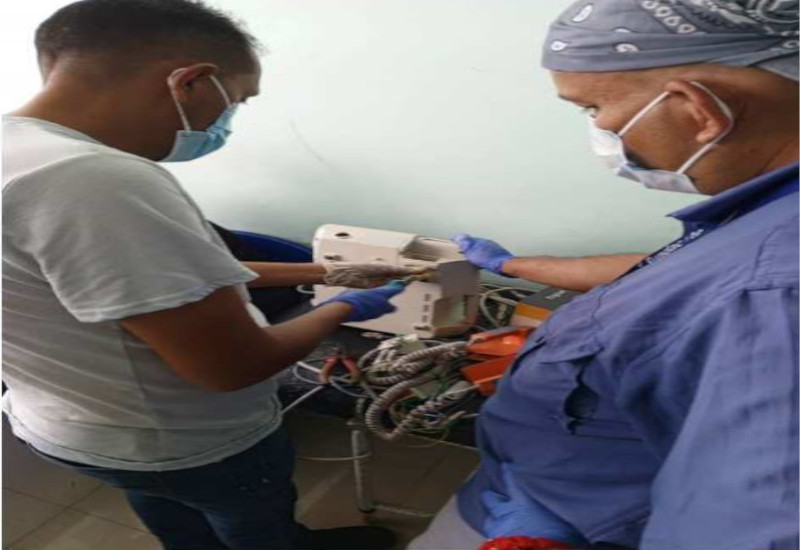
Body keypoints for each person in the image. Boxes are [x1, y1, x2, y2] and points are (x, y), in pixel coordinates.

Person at [2, 1, 413, 549]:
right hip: (186, 439)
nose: (225, 123)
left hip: (67, 427)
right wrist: (344, 307)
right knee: (256, 525)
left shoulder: (18, 154)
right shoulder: (94, 179)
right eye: (235, 102)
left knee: (173, 514)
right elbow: (234, 367)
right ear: (191, 81)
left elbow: (159, 278)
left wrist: (327, 271)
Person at [410, 1, 799, 549]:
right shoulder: (772, 216)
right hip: (546, 490)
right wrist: (511, 265)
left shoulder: (774, 297)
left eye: (592, 107)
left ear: (698, 108)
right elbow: (687, 275)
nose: (600, 129)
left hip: (573, 528)